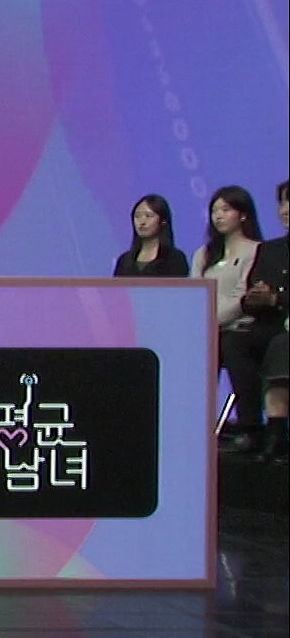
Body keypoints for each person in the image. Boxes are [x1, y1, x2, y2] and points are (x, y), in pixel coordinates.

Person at [192, 185, 264, 446]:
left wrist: (212, 321)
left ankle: (250, 425)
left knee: (232, 345)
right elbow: (195, 293)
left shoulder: (256, 251)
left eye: (226, 210)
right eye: (215, 211)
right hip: (207, 328)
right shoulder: (204, 254)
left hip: (240, 327)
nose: (218, 216)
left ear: (243, 214)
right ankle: (193, 422)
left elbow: (242, 296)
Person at [239, 181, 288, 460]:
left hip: (284, 328)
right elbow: (249, 297)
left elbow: (276, 297)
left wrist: (276, 299)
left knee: (281, 345)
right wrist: (255, 299)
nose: (285, 210)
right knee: (236, 342)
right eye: (282, 203)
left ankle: (277, 431)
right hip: (269, 323)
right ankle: (250, 426)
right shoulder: (269, 250)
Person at [111, 194, 190, 277]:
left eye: (148, 216)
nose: (142, 222)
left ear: (163, 221)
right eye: (137, 216)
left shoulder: (175, 258)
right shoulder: (124, 260)